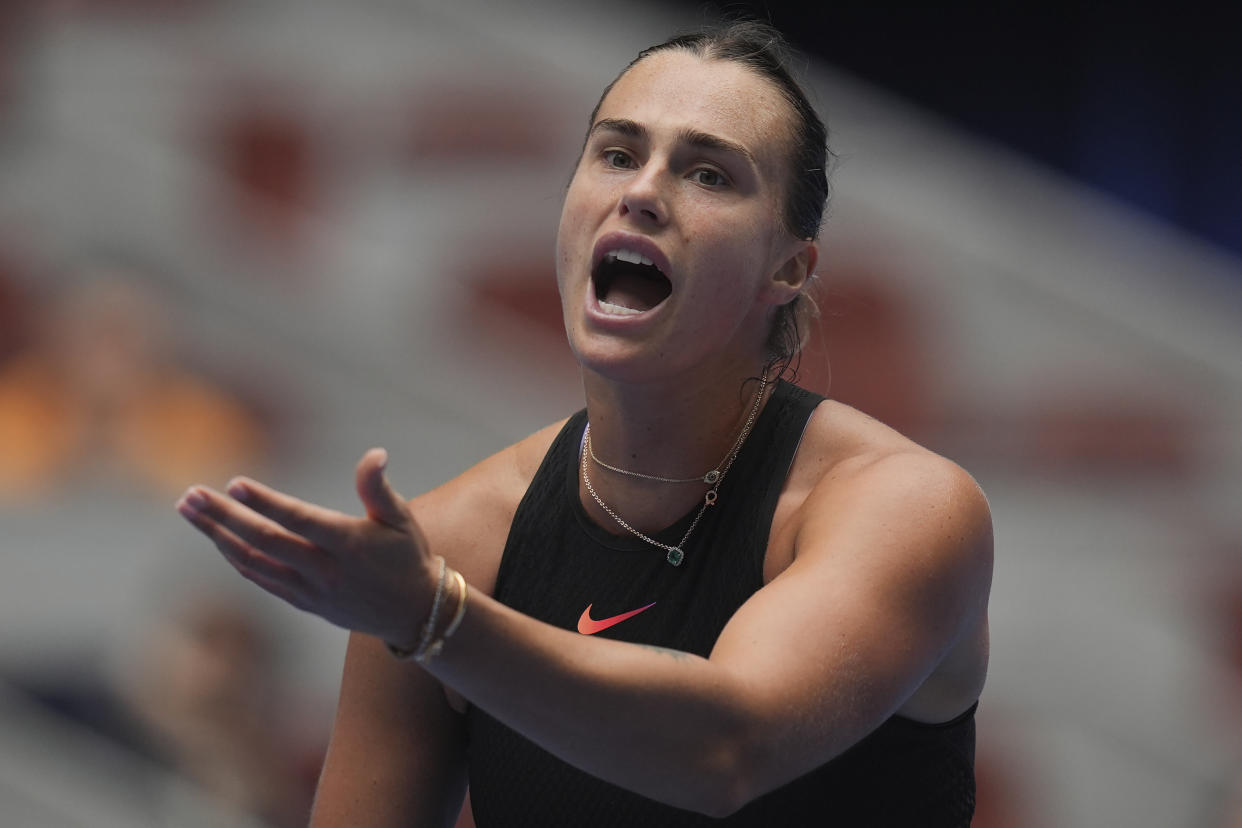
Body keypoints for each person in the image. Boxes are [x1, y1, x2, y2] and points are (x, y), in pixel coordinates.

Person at [176, 20, 992, 826]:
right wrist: (425, 618)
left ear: (789, 266)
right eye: (617, 153)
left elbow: (726, 751)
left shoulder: (908, 507)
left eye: (708, 174)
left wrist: (437, 624)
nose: (642, 191)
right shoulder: (452, 547)